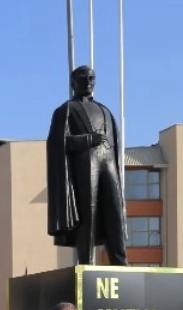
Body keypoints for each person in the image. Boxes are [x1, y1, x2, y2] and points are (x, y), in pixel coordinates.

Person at [46, 65, 129, 266]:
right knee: (87, 213)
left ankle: (120, 260)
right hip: (85, 163)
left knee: (114, 210)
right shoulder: (66, 110)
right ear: (73, 82)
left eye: (92, 78)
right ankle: (87, 261)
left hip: (108, 162)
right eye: (84, 78)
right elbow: (57, 143)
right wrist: (87, 140)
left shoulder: (105, 110)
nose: (89, 82)